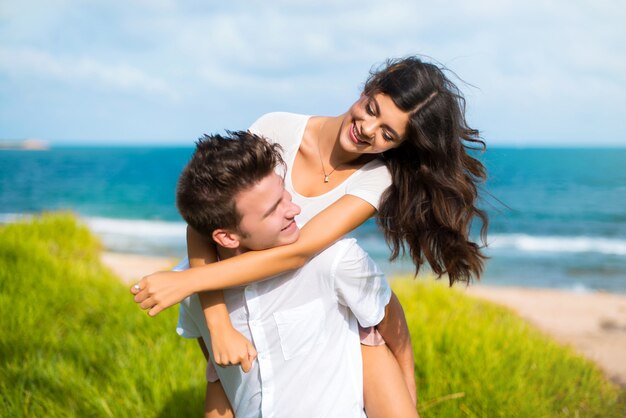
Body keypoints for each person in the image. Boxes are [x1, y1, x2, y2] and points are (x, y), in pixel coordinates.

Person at [132, 56, 488, 416]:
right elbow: (207, 214)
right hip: (245, 301)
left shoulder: (376, 178)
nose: (368, 129)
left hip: (321, 307)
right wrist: (218, 321)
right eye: (371, 109)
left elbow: (298, 252)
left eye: (388, 134)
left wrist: (190, 280)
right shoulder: (277, 128)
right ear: (367, 89)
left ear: (399, 145)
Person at [174, 131, 415, 417]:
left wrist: (409, 397)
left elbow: (387, 328)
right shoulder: (192, 289)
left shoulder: (333, 261)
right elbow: (220, 376)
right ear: (227, 238)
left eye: (284, 194)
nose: (295, 209)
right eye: (273, 209)